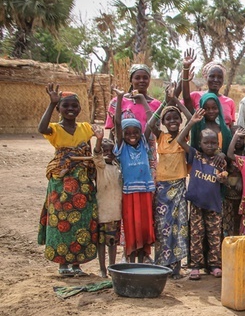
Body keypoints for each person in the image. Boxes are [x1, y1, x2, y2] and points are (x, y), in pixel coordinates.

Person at [37, 84, 99, 276]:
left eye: (74, 106)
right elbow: (41, 128)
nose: (71, 109)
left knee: (81, 222)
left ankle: (77, 264)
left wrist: (92, 176)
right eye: (65, 106)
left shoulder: (86, 128)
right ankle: (62, 264)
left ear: (80, 109)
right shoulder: (55, 129)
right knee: (60, 222)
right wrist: (51, 103)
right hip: (61, 181)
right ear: (59, 109)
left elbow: (88, 153)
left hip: (82, 182)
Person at [175, 109, 228, 280]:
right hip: (197, 204)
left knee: (214, 235)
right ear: (200, 144)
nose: (211, 146)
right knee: (196, 235)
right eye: (207, 143)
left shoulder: (220, 160)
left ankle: (214, 264)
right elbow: (179, 140)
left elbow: (223, 179)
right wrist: (191, 123)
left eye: (214, 143)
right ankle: (195, 266)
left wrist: (222, 178)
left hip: (214, 205)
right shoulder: (195, 156)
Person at [146, 85, 192, 277]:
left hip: (179, 186)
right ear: (164, 122)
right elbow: (149, 125)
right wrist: (165, 102)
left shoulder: (184, 135)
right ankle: (162, 264)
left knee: (180, 226)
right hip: (163, 188)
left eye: (175, 118)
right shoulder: (161, 137)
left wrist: (177, 102)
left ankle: (177, 266)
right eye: (168, 119)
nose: (172, 121)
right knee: (163, 226)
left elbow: (191, 119)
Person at [113, 88, 156, 264]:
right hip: (129, 192)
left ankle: (145, 255)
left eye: (135, 133)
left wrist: (142, 100)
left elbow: (151, 120)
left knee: (145, 223)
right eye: (128, 134)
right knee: (130, 224)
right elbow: (117, 123)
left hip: (145, 191)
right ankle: (128, 254)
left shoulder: (145, 145)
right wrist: (120, 98)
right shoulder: (122, 147)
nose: (132, 136)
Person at [105, 64, 162, 177]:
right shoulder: (117, 102)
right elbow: (113, 130)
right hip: (123, 152)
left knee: (148, 186)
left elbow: (156, 130)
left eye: (145, 77)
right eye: (137, 77)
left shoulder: (156, 104)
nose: (141, 81)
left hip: (147, 153)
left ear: (149, 80)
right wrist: (110, 151)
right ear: (131, 80)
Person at [92, 130, 121, 278]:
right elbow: (97, 155)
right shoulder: (101, 167)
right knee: (101, 243)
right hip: (103, 212)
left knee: (113, 242)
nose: (108, 154)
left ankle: (112, 266)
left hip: (116, 212)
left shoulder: (117, 167)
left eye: (111, 151)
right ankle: (102, 268)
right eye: (105, 151)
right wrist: (99, 140)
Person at [181, 51, 237, 126]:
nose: (216, 80)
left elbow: (231, 127)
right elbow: (186, 98)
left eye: (220, 77)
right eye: (212, 76)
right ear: (206, 77)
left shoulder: (229, 102)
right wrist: (186, 68)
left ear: (223, 80)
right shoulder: (196, 96)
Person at [222, 126, 245, 237]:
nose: (239, 140)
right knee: (228, 221)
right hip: (228, 195)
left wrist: (241, 179)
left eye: (242, 137)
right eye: (236, 137)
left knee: (239, 221)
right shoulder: (226, 153)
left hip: (241, 196)